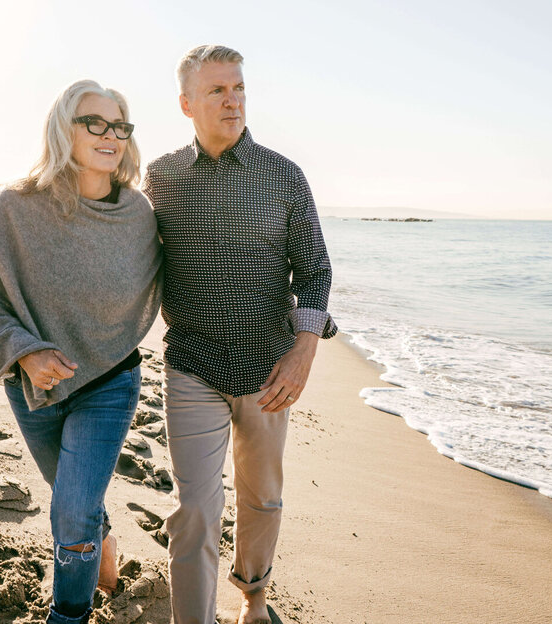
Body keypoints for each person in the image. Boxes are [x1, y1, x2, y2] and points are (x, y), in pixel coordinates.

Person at [143, 45, 337, 624]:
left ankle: (254, 595)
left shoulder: (283, 176)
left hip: (270, 367)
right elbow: (132, 260)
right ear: (186, 104)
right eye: (217, 91)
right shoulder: (162, 178)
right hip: (192, 363)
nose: (233, 101)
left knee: (261, 498)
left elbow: (316, 271)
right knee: (195, 511)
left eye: (239, 88)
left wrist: (303, 352)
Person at [0, 79, 161, 624]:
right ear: (62, 128)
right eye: (94, 123)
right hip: (32, 386)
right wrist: (25, 352)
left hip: (110, 381)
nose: (110, 135)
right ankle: (104, 538)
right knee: (77, 501)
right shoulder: (16, 206)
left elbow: (187, 274)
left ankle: (68, 615)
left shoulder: (138, 214)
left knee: (71, 511)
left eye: (119, 126)